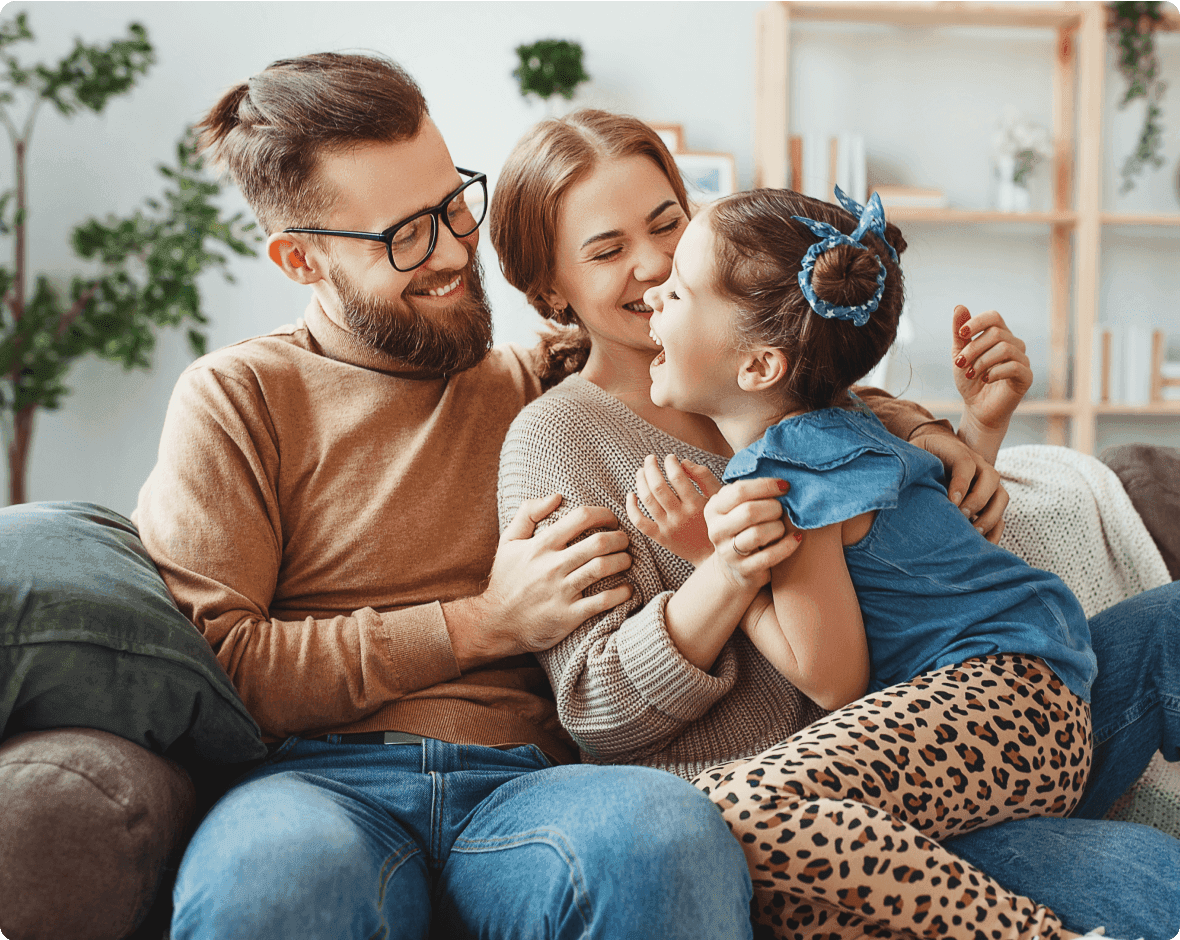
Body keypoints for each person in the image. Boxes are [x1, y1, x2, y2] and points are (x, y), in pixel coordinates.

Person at [490, 109, 1180, 940]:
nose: (654, 261)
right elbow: (596, 708)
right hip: (806, 813)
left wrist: (974, 435)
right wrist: (723, 569)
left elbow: (927, 568)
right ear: (548, 288)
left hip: (943, 740)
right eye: (606, 251)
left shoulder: (799, 393)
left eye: (668, 223)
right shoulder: (559, 437)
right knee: (1150, 888)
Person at [133, 52, 757, 940]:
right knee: (273, 885)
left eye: (455, 203)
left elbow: (744, 368)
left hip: (531, 785)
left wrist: (920, 429)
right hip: (312, 785)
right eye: (405, 236)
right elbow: (219, 668)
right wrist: (486, 622)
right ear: (299, 258)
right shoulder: (239, 398)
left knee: (662, 835)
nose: (457, 251)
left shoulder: (540, 378)